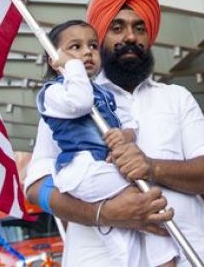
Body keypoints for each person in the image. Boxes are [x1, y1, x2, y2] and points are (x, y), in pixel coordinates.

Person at [25, 0, 204, 266]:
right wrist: (105, 213)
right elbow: (36, 189)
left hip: (188, 252)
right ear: (99, 37)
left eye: (139, 28)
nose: (130, 36)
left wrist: (152, 167)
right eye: (117, 28)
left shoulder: (176, 97)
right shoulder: (69, 99)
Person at [36, 19, 178, 266]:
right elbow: (80, 102)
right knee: (145, 201)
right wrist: (72, 69)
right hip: (81, 169)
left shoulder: (104, 93)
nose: (87, 52)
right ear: (53, 59)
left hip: (103, 168)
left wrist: (127, 135)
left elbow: (125, 119)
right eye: (75, 47)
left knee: (132, 228)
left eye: (92, 46)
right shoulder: (54, 93)